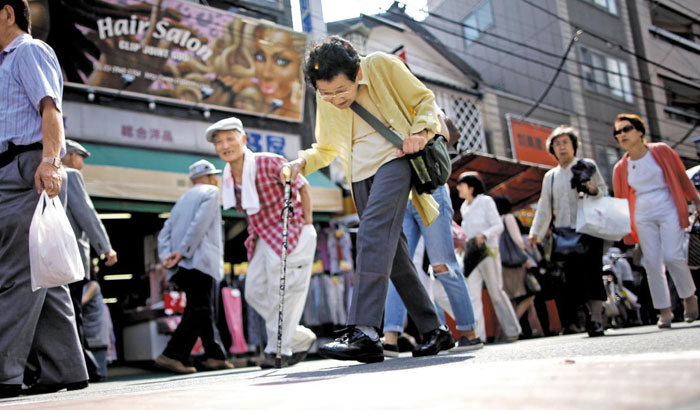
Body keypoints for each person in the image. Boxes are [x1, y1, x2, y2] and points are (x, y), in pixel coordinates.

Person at [286, 36, 454, 363]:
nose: (334, 99)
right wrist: (302, 163)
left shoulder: (380, 65)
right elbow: (326, 148)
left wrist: (419, 133)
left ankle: (364, 331)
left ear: (357, 72)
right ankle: (435, 330)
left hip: (396, 159)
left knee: (372, 234)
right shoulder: (327, 98)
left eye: (340, 91)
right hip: (359, 175)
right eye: (325, 93)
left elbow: (424, 100)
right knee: (394, 257)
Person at [0, 0, 88, 397]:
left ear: (6, 13)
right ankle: (67, 370)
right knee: (43, 272)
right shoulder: (5, 61)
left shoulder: (28, 51)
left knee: (17, 274)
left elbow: (50, 108)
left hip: (26, 166)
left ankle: (4, 372)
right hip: (16, 166)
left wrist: (51, 162)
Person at [206, 117, 317, 369]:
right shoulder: (228, 177)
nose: (225, 145)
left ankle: (278, 349)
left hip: (292, 231)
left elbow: (303, 187)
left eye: (230, 139)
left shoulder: (269, 162)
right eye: (219, 142)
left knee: (284, 292)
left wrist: (308, 226)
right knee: (254, 291)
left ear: (243, 140)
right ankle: (298, 336)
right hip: (262, 237)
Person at [383, 112, 482, 356]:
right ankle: (390, 337)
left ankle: (469, 333)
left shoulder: (422, 99)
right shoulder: (383, 105)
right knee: (399, 268)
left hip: (431, 190)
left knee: (442, 265)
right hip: (402, 196)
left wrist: (419, 135)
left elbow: (445, 134)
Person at [611, 113, 699, 327]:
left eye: (626, 129)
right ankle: (664, 311)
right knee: (651, 263)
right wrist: (624, 227)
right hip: (642, 214)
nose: (621, 135)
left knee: (672, 256)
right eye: (617, 132)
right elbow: (621, 201)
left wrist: (696, 200)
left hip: (668, 207)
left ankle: (689, 297)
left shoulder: (660, 151)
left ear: (639, 131)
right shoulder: (620, 168)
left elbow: (681, 177)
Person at [528, 126, 608, 337]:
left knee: (593, 275)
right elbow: (544, 206)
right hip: (564, 232)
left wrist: (593, 190)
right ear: (552, 149)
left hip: (589, 229)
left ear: (574, 145)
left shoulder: (587, 166)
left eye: (565, 142)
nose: (561, 147)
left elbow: (604, 193)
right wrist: (535, 233)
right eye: (557, 144)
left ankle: (597, 319)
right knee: (570, 278)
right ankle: (577, 319)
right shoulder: (551, 176)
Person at [156, 160, 233, 374]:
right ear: (208, 177)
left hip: (183, 265)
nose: (216, 179)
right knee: (199, 309)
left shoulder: (182, 199)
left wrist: (168, 256)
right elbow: (200, 224)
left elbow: (164, 232)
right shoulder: (211, 193)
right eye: (214, 175)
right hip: (201, 261)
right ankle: (173, 354)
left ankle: (215, 355)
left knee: (202, 307)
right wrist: (184, 250)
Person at [62, 139, 117, 382]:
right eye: (81, 157)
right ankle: (85, 368)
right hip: (69, 260)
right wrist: (106, 248)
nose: (82, 164)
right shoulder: (70, 175)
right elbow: (86, 214)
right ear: (71, 155)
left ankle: (78, 368)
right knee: (72, 313)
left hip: (46, 260)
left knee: (61, 313)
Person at [457, 172, 522, 342]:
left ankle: (512, 330)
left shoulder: (485, 201)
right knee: (472, 295)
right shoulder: (464, 207)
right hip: (472, 254)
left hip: (488, 251)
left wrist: (483, 235)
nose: (458, 188)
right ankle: (478, 336)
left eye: (461, 184)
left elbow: (498, 225)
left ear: (471, 187)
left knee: (496, 292)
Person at [494, 195, 544, 337]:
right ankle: (512, 326)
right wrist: (525, 258)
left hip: (502, 263)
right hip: (515, 263)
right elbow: (518, 240)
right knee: (529, 295)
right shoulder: (508, 218)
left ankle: (513, 328)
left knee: (512, 298)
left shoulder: (495, 221)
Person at [81, 280, 113, 381]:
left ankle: (100, 376)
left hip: (97, 325)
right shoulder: (83, 286)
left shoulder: (93, 285)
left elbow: (82, 301)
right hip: (88, 324)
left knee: (99, 367)